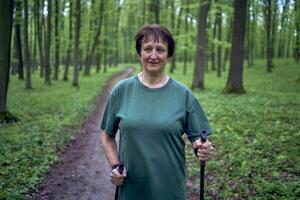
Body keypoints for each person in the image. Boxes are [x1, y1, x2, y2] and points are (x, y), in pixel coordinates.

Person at [100, 24, 214, 200]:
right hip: (131, 188)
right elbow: (107, 136)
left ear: (168, 54)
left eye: (160, 49)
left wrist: (203, 147)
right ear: (139, 53)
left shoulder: (183, 95)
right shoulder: (121, 91)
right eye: (147, 49)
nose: (153, 55)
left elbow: (199, 138)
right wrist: (115, 166)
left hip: (170, 189)